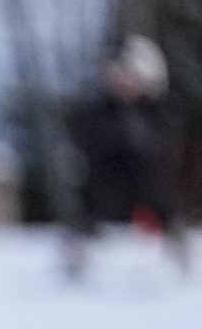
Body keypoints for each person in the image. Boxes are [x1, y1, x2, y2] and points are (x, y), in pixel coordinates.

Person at [66, 36, 190, 279]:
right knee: (87, 201)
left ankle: (178, 249)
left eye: (127, 75)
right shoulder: (101, 113)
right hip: (106, 192)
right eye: (115, 76)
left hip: (151, 194)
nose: (120, 81)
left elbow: (164, 151)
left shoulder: (157, 115)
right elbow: (86, 145)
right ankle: (76, 254)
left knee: (159, 190)